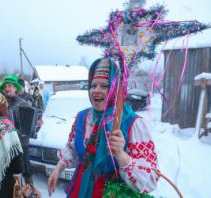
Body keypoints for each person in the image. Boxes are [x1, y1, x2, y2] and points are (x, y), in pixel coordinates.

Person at [47, 58, 159, 197]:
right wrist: (58, 169)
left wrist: (121, 156)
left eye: (104, 86)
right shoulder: (83, 117)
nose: (96, 90)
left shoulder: (132, 124)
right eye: (93, 85)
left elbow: (151, 180)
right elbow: (74, 151)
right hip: (82, 189)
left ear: (116, 89)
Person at [0, 75, 42, 196]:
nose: (7, 88)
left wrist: (38, 124)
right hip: (5, 144)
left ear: (16, 89)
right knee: (10, 171)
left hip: (22, 143)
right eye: (5, 86)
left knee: (26, 170)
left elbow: (34, 124)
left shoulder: (24, 103)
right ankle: (13, 193)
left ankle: (31, 193)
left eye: (10, 86)